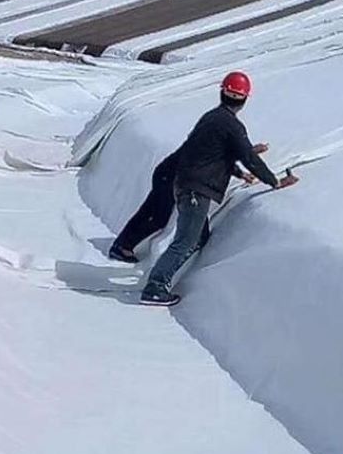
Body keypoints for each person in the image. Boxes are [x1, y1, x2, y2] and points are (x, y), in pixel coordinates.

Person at [140, 71, 299, 306]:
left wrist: (239, 172)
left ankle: (167, 279)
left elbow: (213, 154)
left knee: (197, 238)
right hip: (197, 190)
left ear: (222, 92)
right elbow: (247, 156)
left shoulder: (210, 119)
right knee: (185, 241)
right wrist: (274, 181)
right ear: (244, 99)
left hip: (185, 185)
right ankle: (155, 287)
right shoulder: (231, 126)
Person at [108, 143, 266, 263]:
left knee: (147, 211)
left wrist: (248, 154)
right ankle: (123, 246)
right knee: (158, 219)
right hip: (170, 178)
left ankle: (121, 245)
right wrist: (243, 172)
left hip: (165, 172)